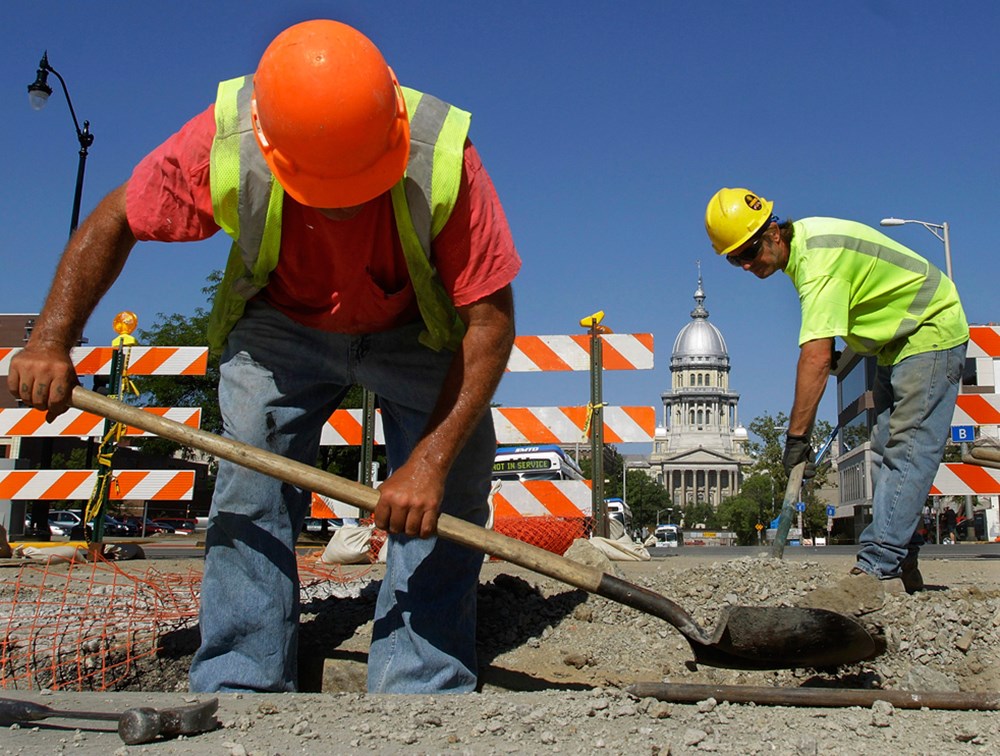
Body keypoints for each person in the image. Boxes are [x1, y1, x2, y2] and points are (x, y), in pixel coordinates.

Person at [7, 20, 520, 693]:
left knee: (446, 492)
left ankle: (419, 684)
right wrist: (49, 340)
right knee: (251, 487)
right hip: (283, 326)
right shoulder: (227, 141)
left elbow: (489, 319)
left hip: (411, 330)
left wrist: (426, 462)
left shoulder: (442, 153)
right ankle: (241, 682)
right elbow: (114, 220)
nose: (344, 207)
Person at [705, 188, 968, 596]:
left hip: (930, 329)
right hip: (892, 343)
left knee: (909, 449)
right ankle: (903, 557)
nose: (745, 265)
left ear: (774, 232)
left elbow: (815, 358)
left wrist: (797, 438)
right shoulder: (804, 250)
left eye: (749, 252)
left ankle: (877, 567)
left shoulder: (818, 264)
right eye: (735, 258)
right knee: (883, 450)